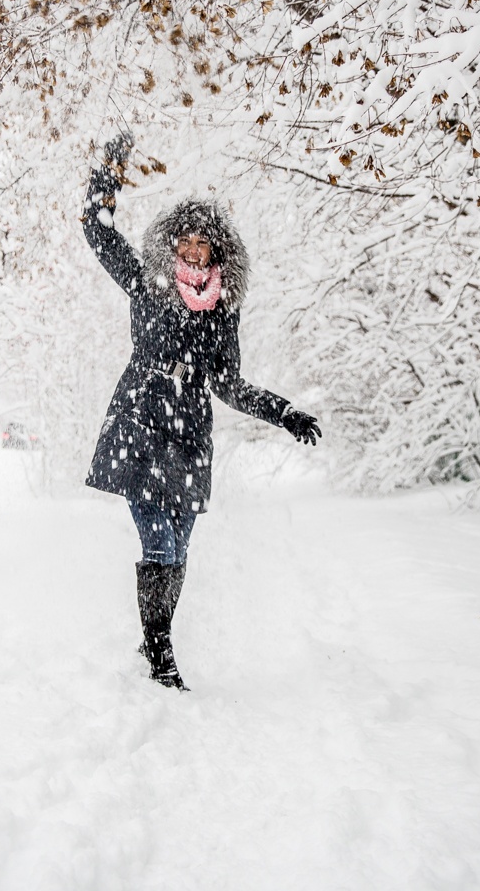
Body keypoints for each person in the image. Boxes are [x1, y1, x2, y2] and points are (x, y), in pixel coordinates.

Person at [81, 134, 321, 690]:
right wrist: (108, 175)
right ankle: (162, 657)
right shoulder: (147, 281)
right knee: (157, 545)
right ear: (172, 244)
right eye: (185, 242)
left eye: (202, 246)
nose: (192, 252)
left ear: (217, 255)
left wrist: (284, 413)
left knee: (180, 551)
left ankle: (153, 632)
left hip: (189, 436)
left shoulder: (222, 311)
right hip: (140, 424)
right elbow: (97, 231)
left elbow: (229, 384)